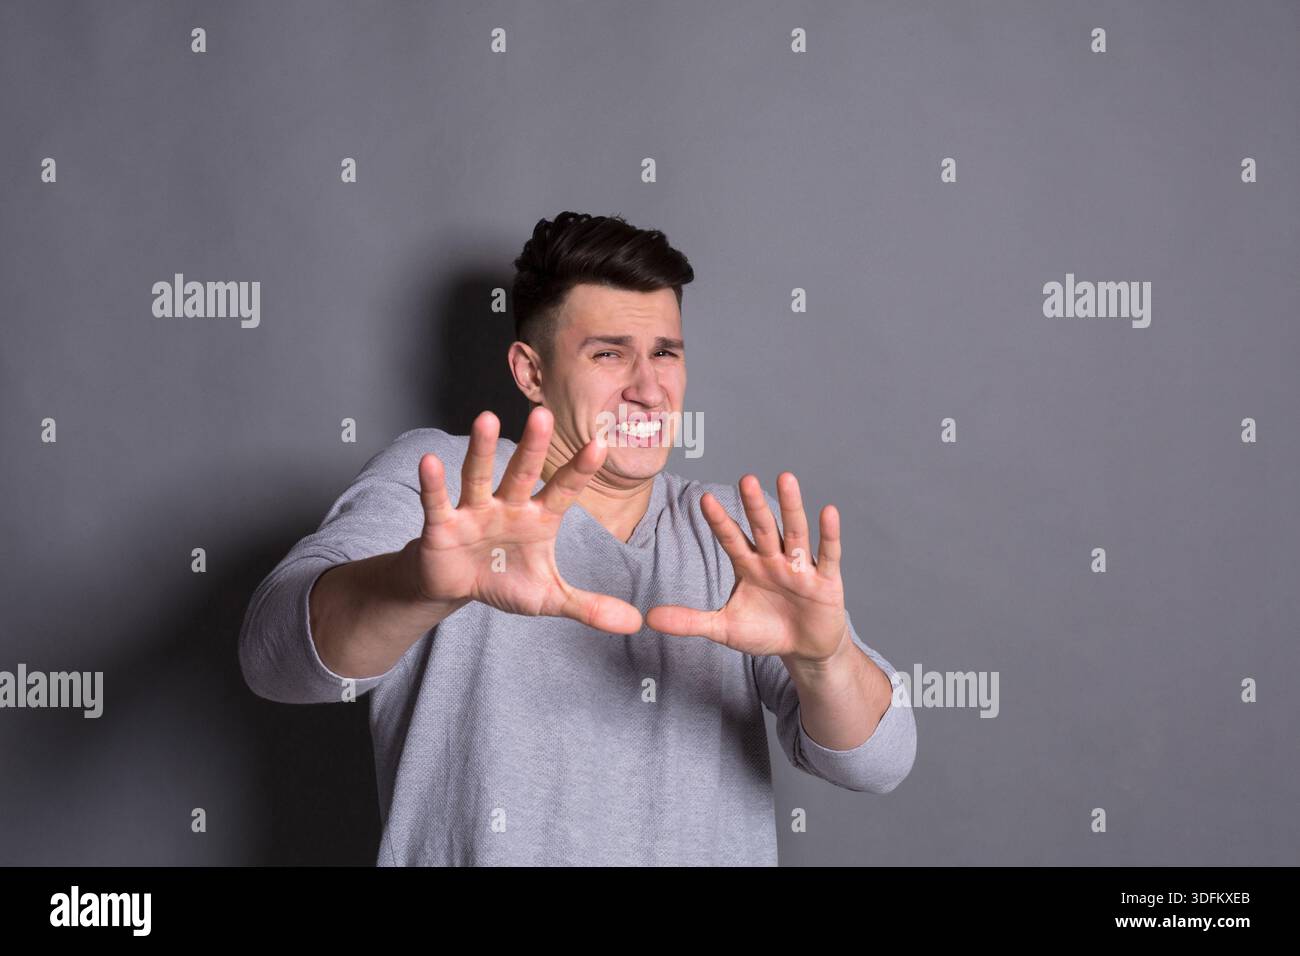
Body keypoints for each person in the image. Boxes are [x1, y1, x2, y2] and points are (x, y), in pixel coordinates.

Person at [238, 211, 916, 865]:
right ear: (530, 372)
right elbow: (273, 660)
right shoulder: (446, 484)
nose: (649, 389)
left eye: (665, 354)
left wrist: (826, 659)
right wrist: (416, 586)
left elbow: (879, 764)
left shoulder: (736, 532)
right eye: (608, 355)